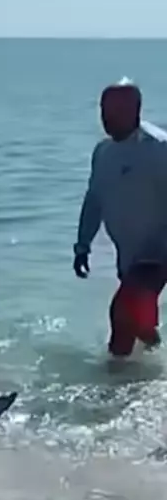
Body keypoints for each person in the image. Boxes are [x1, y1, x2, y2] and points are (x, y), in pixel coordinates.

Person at [72, 78, 167, 358]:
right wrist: (82, 245)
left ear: (135, 110)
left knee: (121, 312)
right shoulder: (103, 152)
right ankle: (151, 364)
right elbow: (94, 200)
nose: (105, 117)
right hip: (129, 255)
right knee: (136, 323)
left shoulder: (158, 148)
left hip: (159, 252)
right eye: (103, 110)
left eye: (114, 111)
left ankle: (113, 384)